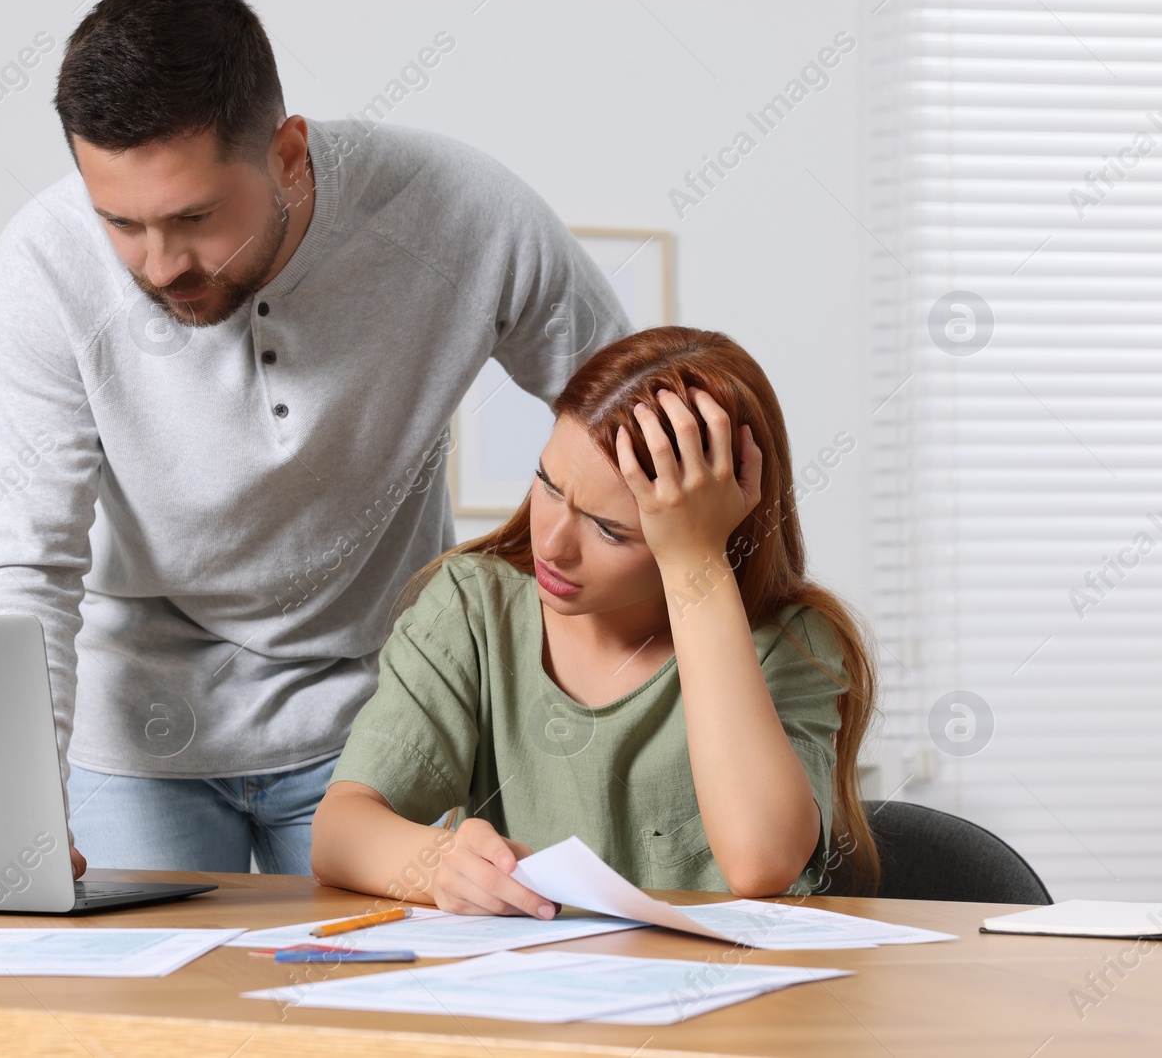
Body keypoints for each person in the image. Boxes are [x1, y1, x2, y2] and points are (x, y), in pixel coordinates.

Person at [0, 0, 630, 877]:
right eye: (121, 222)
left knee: (378, 1007)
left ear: (287, 153)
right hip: (143, 731)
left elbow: (629, 424)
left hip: (380, 723)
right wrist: (13, 808)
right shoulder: (44, 261)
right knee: (138, 1015)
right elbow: (25, 563)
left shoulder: (462, 214)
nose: (158, 266)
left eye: (195, 218)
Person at [310, 326, 881, 913]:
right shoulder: (471, 608)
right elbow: (337, 834)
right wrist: (437, 863)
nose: (552, 545)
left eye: (610, 530)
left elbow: (760, 863)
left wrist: (695, 564)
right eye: (549, 486)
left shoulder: (790, 644)